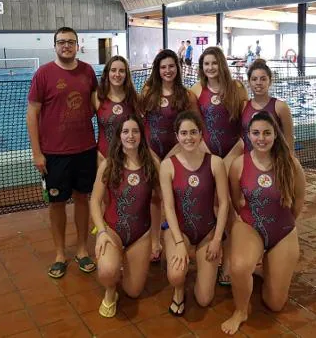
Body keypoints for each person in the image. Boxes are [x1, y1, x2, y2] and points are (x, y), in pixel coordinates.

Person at [221, 111, 306, 335]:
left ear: (275, 135)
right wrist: (251, 223)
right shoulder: (239, 165)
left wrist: (284, 224)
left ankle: (269, 263)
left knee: (275, 303)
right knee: (238, 267)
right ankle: (240, 311)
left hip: (283, 230)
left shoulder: (290, 165)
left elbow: (298, 202)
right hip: (251, 226)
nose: (261, 138)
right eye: (256, 133)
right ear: (248, 135)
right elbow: (236, 199)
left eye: (267, 133)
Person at [27, 27, 98, 279]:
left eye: (70, 42)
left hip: (86, 149)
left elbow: (96, 105)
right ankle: (59, 253)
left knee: (82, 199)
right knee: (56, 203)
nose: (66, 46)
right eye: (61, 42)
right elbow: (32, 113)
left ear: (77, 45)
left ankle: (81, 249)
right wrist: (37, 153)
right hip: (55, 154)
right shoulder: (43, 74)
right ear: (54, 45)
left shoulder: (88, 71)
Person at [90, 115, 161, 318]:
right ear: (119, 136)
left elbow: (162, 200)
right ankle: (110, 289)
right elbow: (94, 201)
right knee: (107, 271)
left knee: (133, 291)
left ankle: (125, 263)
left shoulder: (152, 163)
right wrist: (102, 232)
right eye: (126, 131)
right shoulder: (109, 164)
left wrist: (156, 238)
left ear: (141, 135)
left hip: (141, 234)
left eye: (135, 131)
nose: (131, 136)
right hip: (112, 230)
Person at [159, 111, 229, 315]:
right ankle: (179, 291)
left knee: (204, 300)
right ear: (177, 136)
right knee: (176, 275)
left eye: (193, 132)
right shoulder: (168, 165)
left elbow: (224, 203)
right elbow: (168, 207)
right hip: (180, 231)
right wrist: (179, 243)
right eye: (183, 133)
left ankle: (207, 270)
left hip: (208, 232)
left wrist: (217, 239)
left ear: (201, 134)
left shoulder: (215, 162)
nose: (188, 137)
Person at [141, 49, 198, 262]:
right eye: (163, 67)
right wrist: (150, 153)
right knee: (156, 197)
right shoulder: (148, 93)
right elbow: (141, 123)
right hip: (152, 153)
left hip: (178, 154)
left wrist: (176, 153)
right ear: (157, 69)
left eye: (171, 66)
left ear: (178, 68)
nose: (167, 70)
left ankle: (181, 238)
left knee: (179, 197)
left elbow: (195, 126)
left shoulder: (186, 95)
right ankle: (155, 241)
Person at [191, 46, 247, 170]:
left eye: (214, 63)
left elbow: (246, 119)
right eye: (206, 64)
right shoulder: (197, 89)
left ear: (221, 64)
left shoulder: (237, 87)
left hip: (234, 149)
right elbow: (194, 122)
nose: (210, 67)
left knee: (230, 187)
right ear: (202, 66)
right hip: (206, 149)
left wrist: (241, 145)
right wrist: (201, 144)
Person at [241, 59, 294, 153]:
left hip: (275, 163)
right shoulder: (243, 107)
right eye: (254, 79)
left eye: (263, 79)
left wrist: (290, 164)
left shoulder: (280, 107)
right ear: (249, 83)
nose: (258, 82)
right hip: (248, 163)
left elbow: (289, 142)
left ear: (270, 81)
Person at [93, 56, 138, 164]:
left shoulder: (134, 98)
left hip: (129, 159)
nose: (117, 74)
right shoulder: (97, 97)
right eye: (113, 70)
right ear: (107, 73)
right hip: (103, 158)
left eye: (121, 71)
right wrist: (95, 152)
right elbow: (84, 125)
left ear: (126, 74)